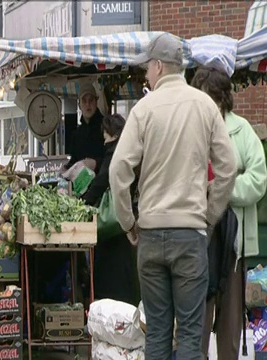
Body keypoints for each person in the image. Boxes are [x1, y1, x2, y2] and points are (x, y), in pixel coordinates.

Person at [109, 33, 237, 360]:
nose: (145, 76)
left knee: (158, 335)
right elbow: (228, 168)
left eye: (147, 70)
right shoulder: (205, 105)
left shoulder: (143, 110)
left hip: (150, 235)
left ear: (158, 66)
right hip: (191, 235)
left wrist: (128, 222)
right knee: (192, 336)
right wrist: (209, 215)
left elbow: (119, 169)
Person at [191, 67, 267, 360]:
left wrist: (223, 190)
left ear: (222, 99)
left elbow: (259, 178)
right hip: (198, 234)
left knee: (230, 324)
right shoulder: (192, 129)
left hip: (233, 241)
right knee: (197, 319)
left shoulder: (242, 130)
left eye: (209, 98)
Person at [81, 113, 138, 304]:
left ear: (111, 134)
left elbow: (101, 182)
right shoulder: (131, 152)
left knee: (111, 275)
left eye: (105, 135)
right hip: (127, 221)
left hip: (114, 228)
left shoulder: (114, 153)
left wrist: (82, 203)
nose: (104, 140)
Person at [63, 82, 105, 173]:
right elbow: (73, 162)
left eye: (91, 100)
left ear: (96, 102)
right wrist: (65, 169)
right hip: (81, 185)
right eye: (84, 101)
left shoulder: (106, 128)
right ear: (79, 105)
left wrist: (96, 163)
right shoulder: (76, 135)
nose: (88, 104)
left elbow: (114, 160)